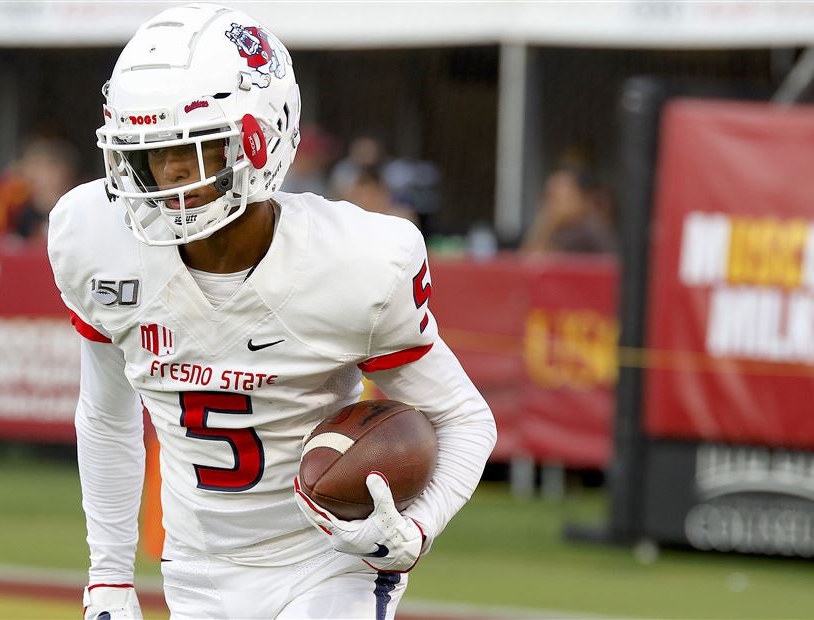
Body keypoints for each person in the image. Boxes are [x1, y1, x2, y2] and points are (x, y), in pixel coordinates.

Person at [47, 5, 496, 618]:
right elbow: (105, 414)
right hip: (194, 566)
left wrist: (414, 530)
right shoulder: (96, 235)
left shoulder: (355, 261)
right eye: (152, 152)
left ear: (264, 136)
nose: (172, 175)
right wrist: (108, 578)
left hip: (324, 565)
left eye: (197, 147)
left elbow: (465, 419)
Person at [521, 163, 617, 255]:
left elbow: (535, 263)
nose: (550, 205)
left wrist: (546, 226)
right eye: (548, 196)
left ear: (581, 196)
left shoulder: (587, 233)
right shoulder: (561, 230)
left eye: (558, 197)